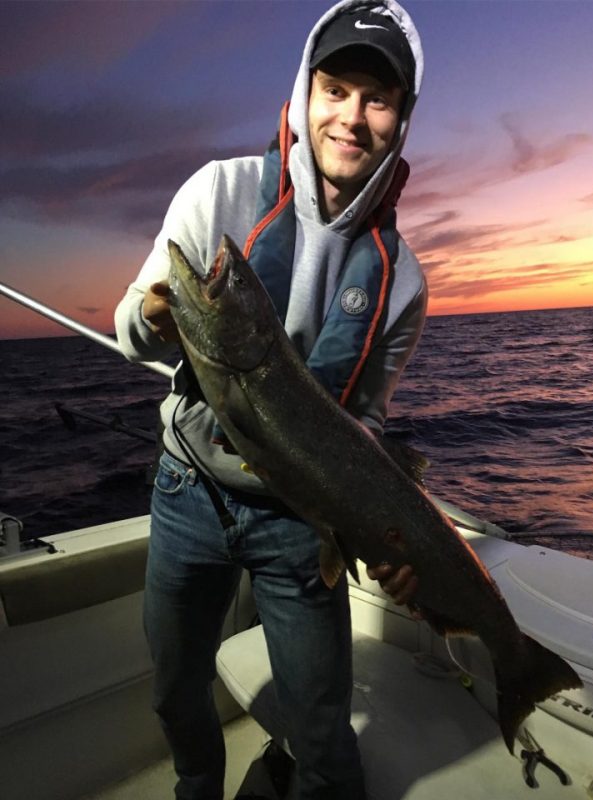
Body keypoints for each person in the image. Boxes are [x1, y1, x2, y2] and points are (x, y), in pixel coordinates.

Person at [115, 1, 425, 798]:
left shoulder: (406, 284)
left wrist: (391, 534)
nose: (351, 117)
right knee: (176, 693)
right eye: (334, 89)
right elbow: (129, 329)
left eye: (377, 99)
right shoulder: (217, 193)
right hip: (188, 495)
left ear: (402, 118)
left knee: (320, 727)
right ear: (304, 92)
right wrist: (155, 313)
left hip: (300, 524)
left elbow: (365, 426)